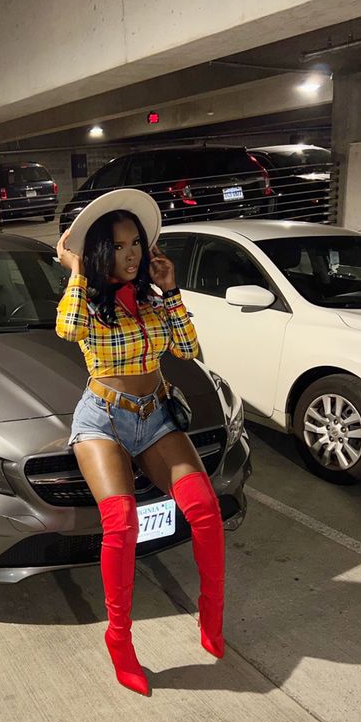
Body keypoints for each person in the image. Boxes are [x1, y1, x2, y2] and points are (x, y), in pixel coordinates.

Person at [55, 190, 225, 696]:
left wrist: (171, 291)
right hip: (103, 419)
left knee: (205, 510)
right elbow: (68, 328)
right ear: (103, 252)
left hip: (154, 416)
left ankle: (211, 616)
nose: (132, 253)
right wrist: (77, 269)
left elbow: (188, 349)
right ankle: (119, 639)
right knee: (121, 524)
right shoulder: (87, 297)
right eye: (121, 245)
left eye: (137, 243)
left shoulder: (151, 294)